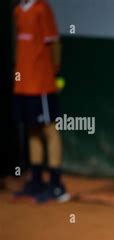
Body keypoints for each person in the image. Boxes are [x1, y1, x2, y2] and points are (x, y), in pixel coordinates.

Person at [13, 0, 70, 203]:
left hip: (41, 83)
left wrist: (55, 72)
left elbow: (55, 43)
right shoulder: (18, 10)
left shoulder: (42, 8)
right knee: (32, 129)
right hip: (23, 83)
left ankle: (56, 185)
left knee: (50, 129)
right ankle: (36, 180)